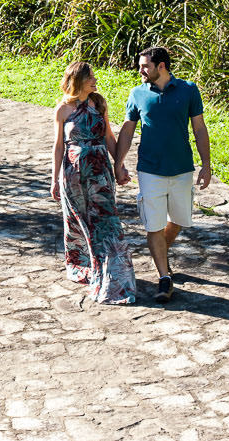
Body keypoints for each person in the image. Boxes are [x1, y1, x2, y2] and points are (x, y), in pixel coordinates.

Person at [115, 46, 211, 303]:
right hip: (150, 170)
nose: (140, 70)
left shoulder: (188, 90)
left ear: (162, 66)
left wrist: (206, 164)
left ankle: (160, 252)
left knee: (179, 219)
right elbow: (127, 130)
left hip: (182, 168)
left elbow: (199, 129)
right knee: (154, 225)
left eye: (144, 65)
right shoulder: (137, 93)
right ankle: (164, 277)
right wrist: (119, 163)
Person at [51, 61, 136, 305]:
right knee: (79, 221)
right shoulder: (63, 110)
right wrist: (55, 178)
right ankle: (84, 266)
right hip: (74, 174)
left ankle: (114, 277)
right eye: (90, 78)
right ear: (77, 80)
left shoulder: (99, 103)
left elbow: (109, 136)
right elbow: (58, 146)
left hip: (100, 172)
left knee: (107, 222)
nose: (95, 81)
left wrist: (119, 165)